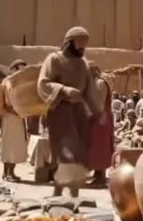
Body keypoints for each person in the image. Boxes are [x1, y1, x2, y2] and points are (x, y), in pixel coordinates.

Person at [36, 26, 101, 198]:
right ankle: (60, 193)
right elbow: (43, 83)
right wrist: (64, 90)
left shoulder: (83, 63)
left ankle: (72, 194)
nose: (82, 49)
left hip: (80, 113)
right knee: (66, 153)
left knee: (79, 154)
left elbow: (91, 89)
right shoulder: (54, 59)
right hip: (61, 111)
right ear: (70, 43)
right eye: (79, 46)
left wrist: (97, 111)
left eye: (84, 47)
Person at [0, 60, 30, 181]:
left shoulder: (19, 82)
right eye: (20, 70)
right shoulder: (9, 82)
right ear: (13, 69)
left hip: (17, 117)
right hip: (10, 117)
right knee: (10, 145)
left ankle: (10, 172)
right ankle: (7, 173)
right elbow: (8, 102)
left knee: (16, 145)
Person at [86, 62, 115, 186]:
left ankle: (101, 177)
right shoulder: (94, 83)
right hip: (97, 118)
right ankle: (97, 174)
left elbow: (98, 103)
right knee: (95, 146)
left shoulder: (99, 83)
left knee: (100, 146)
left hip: (101, 119)